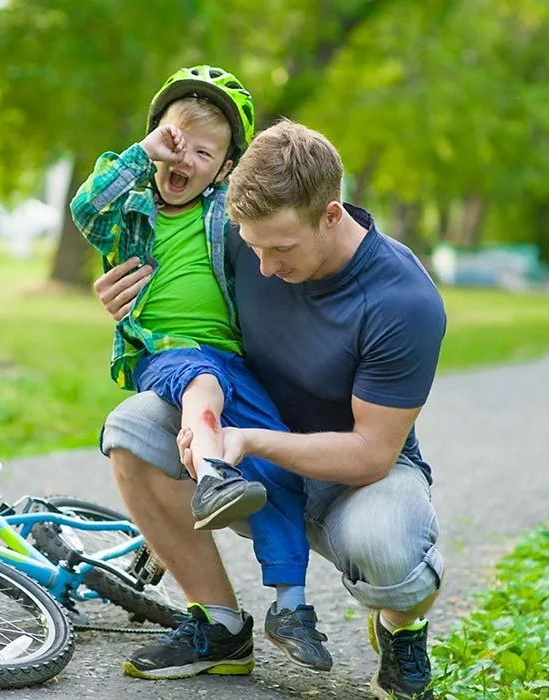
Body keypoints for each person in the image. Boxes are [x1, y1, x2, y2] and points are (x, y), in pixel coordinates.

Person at [94, 119, 447, 700]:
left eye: (280, 249)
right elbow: (161, 243)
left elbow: (370, 453)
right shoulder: (246, 237)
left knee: (391, 553)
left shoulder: (403, 301)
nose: (262, 267)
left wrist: (249, 441)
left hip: (351, 476)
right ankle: (222, 627)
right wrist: (126, 298)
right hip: (250, 448)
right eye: (252, 246)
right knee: (131, 427)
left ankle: (402, 630)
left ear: (332, 215)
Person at [70, 65, 330, 672]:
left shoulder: (226, 211)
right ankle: (213, 472)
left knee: (277, 464)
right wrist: (141, 154)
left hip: (233, 359)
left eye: (201, 153)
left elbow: (291, 217)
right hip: (167, 353)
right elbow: (86, 208)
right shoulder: (132, 208)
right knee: (197, 379)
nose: (179, 158)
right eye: (170, 141)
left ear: (225, 168)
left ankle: (291, 605)